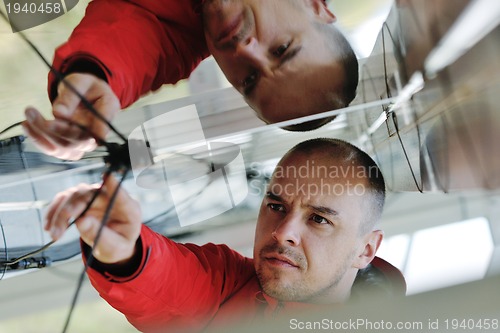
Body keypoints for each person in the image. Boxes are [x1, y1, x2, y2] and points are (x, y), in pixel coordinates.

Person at [44, 138, 405, 332]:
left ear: (366, 249)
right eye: (276, 206)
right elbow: (170, 279)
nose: (282, 233)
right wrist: (125, 249)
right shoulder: (230, 285)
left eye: (319, 220)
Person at [22, 0, 359, 160]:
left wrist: (93, 73)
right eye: (282, 48)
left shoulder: (177, 37)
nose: (246, 49)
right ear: (315, 5)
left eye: (250, 79)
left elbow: (133, 44)